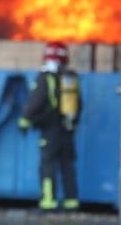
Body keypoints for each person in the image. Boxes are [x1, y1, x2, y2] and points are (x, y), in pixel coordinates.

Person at [19, 41, 81, 211]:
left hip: (50, 130)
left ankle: (48, 201)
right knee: (67, 166)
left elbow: (36, 101)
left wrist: (24, 120)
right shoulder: (70, 77)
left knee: (48, 165)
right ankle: (71, 201)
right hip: (67, 129)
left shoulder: (46, 76)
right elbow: (79, 105)